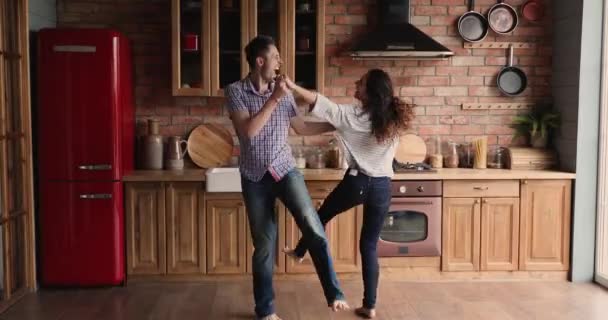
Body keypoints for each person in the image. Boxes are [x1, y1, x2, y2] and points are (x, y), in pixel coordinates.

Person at [224, 35, 349, 320]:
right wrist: (274, 98)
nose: (280, 62)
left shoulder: (284, 94)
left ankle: (335, 293)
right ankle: (266, 310)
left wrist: (336, 124)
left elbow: (302, 128)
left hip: (284, 169)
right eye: (276, 57)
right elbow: (249, 132)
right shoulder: (235, 91)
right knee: (264, 246)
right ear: (260, 61)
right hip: (254, 177)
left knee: (312, 226)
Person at [283, 69, 415, 319]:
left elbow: (319, 102)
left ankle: (299, 252)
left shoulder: (352, 115)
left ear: (371, 92)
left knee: (320, 216)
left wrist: (291, 86)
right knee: (369, 246)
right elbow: (311, 122)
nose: (356, 83)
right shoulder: (392, 118)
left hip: (358, 182)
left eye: (361, 83)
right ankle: (370, 306)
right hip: (383, 187)